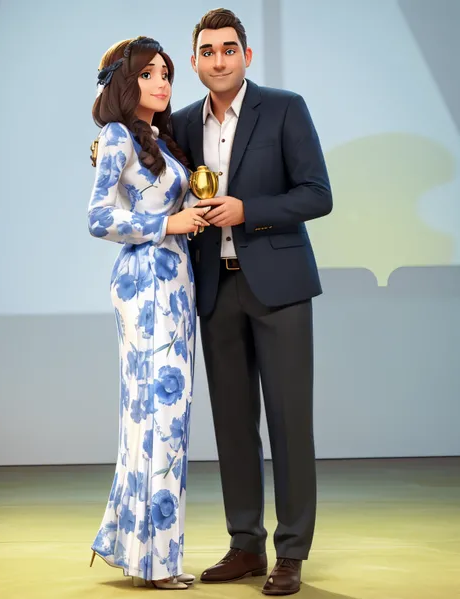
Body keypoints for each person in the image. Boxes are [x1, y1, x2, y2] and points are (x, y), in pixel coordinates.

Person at [171, 8, 332, 596]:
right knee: (234, 426)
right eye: (208, 51)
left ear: (247, 56)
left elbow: (318, 194)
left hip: (281, 289)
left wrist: (249, 211)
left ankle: (291, 552)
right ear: (195, 62)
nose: (219, 60)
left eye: (229, 49)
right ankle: (245, 544)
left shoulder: (285, 107)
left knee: (291, 425)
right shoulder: (182, 123)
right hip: (216, 288)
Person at [87, 36, 209, 590]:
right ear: (124, 81)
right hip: (145, 286)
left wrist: (192, 213)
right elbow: (97, 218)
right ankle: (156, 563)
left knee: (169, 421)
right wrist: (167, 225)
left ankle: (139, 551)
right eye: (149, 73)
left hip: (178, 284)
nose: (162, 81)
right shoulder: (116, 137)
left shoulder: (162, 139)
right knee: (156, 418)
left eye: (166, 72)